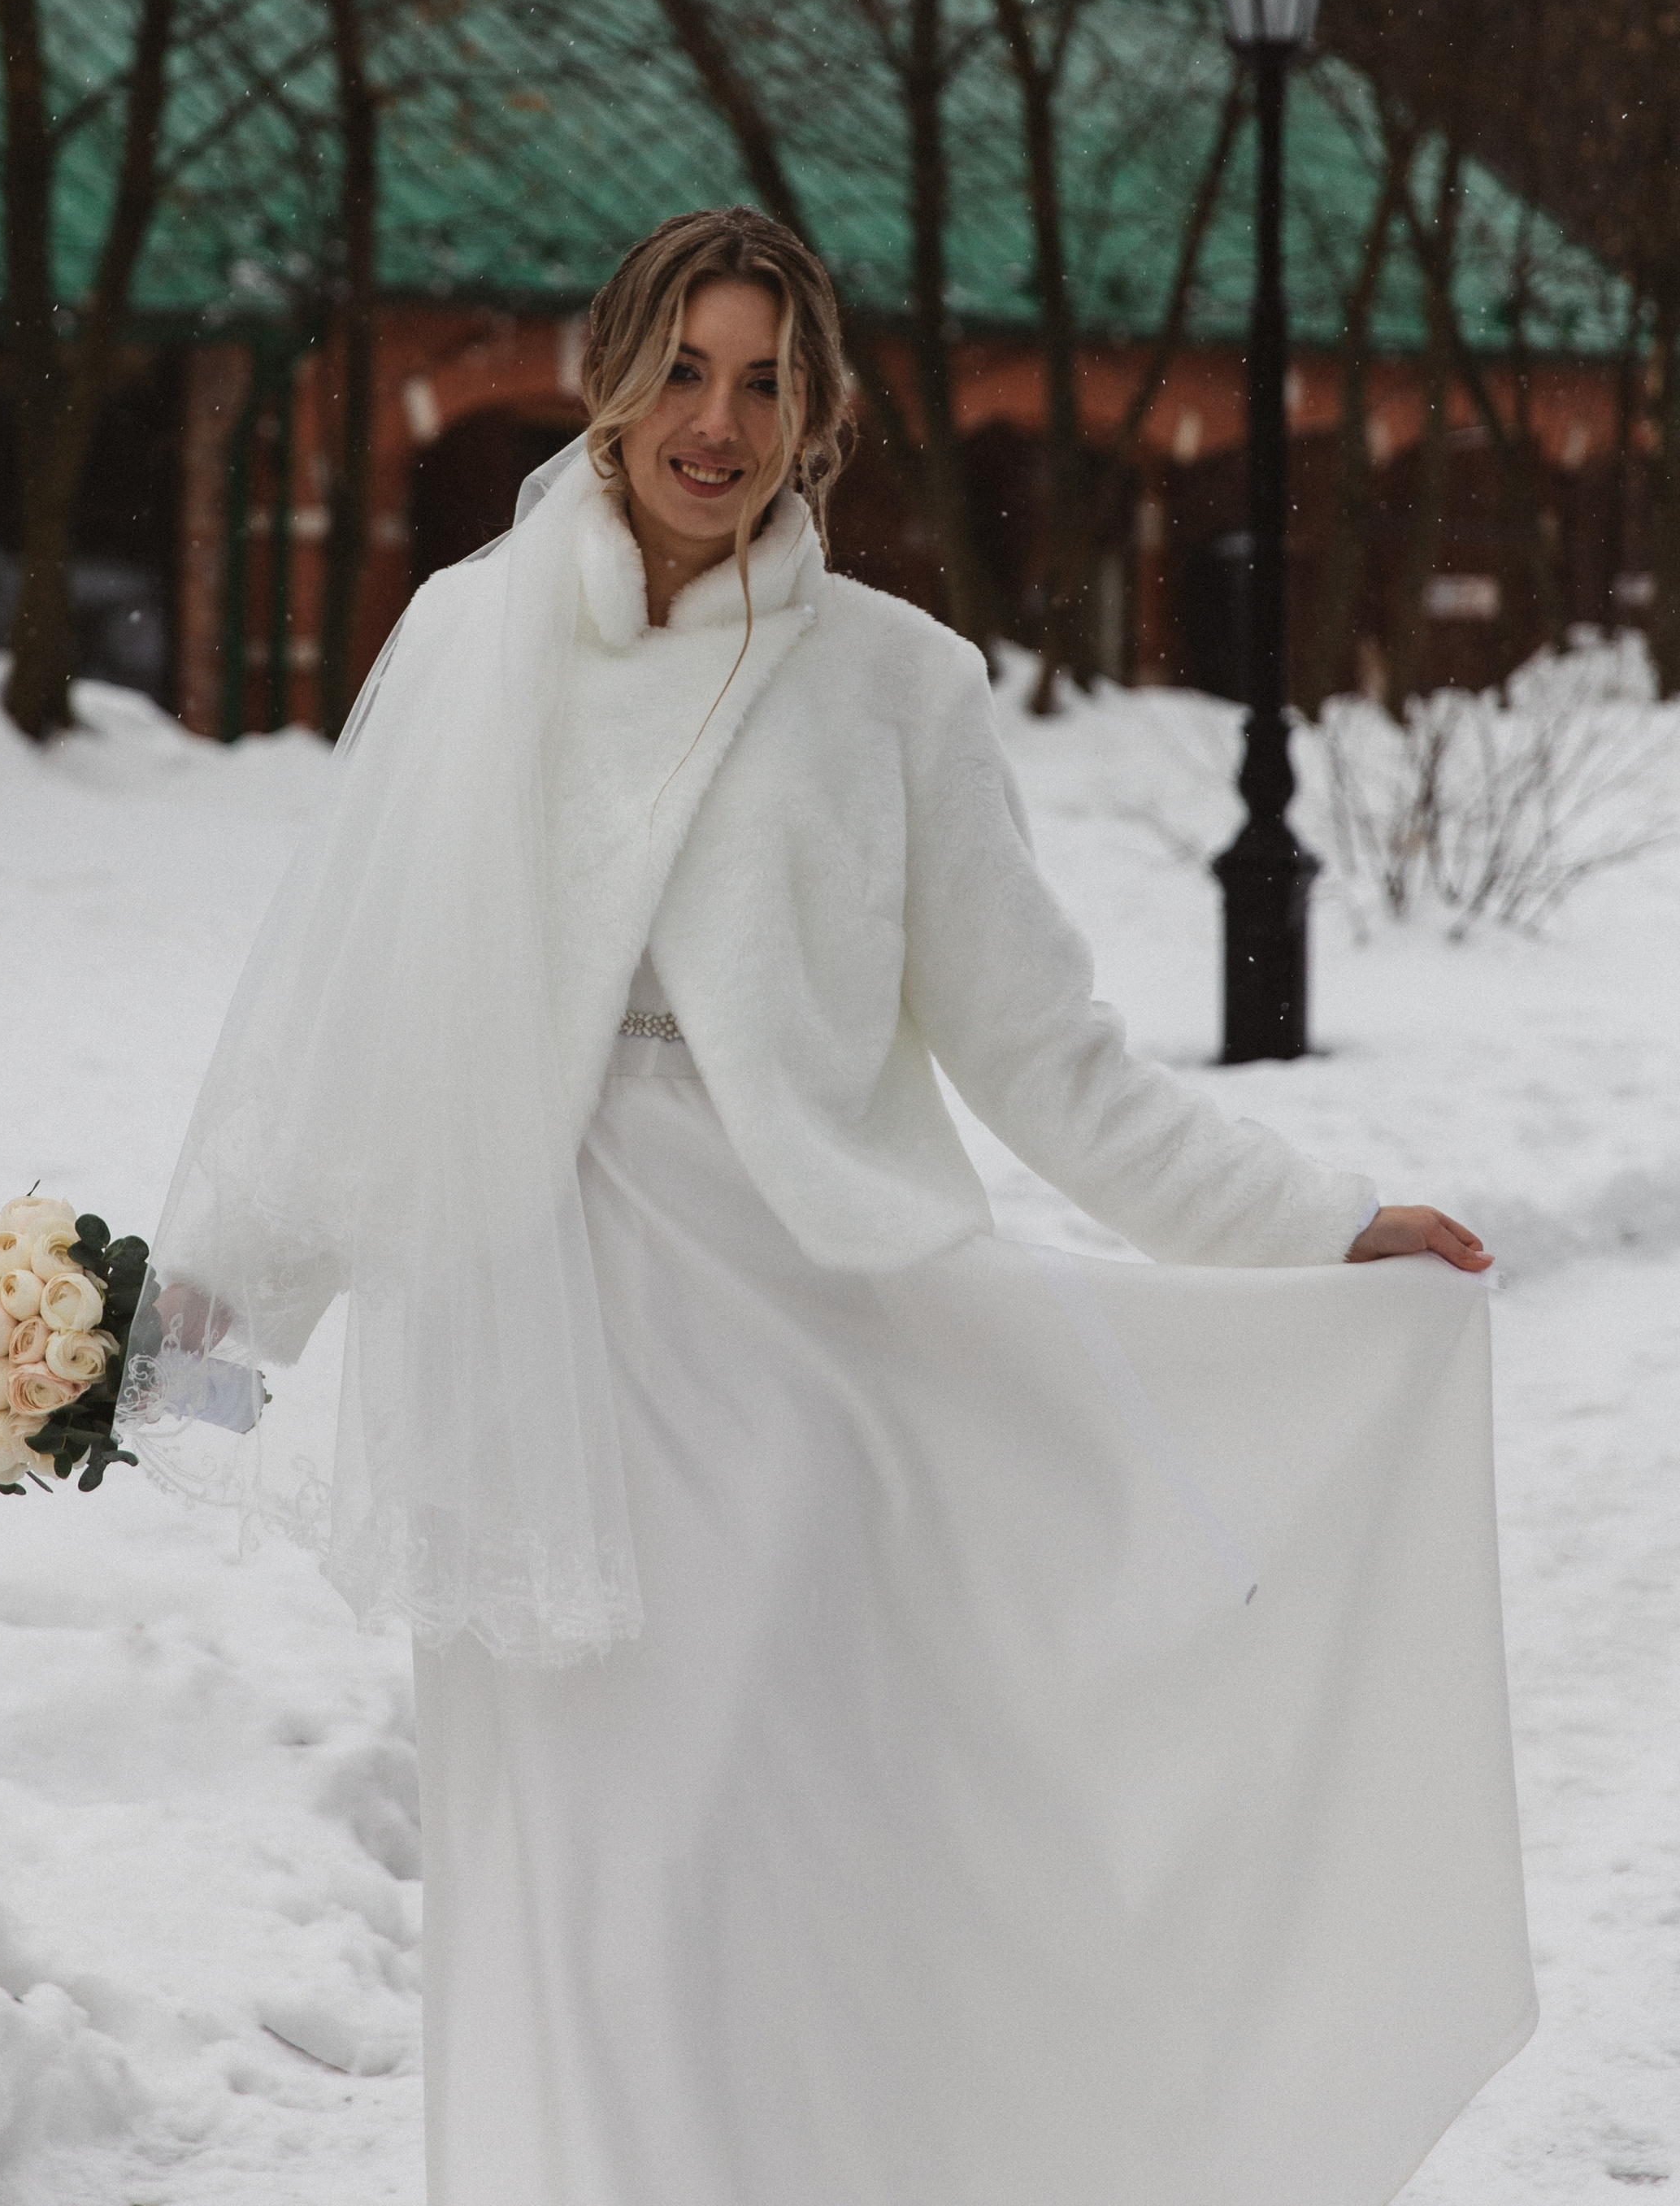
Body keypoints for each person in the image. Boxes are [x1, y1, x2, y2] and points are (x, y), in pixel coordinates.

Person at [128, 207, 1535, 2206]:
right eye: (683, 371)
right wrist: (175, 1330)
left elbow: (1048, 1059)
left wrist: (1321, 1225)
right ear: (609, 383)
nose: (718, 423)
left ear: (819, 417)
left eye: (764, 381)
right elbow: (366, 1037)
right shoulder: (466, 635)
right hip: (522, 1361)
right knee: (576, 1879)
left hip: (788, 1346)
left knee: (725, 1853)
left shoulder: (896, 686)